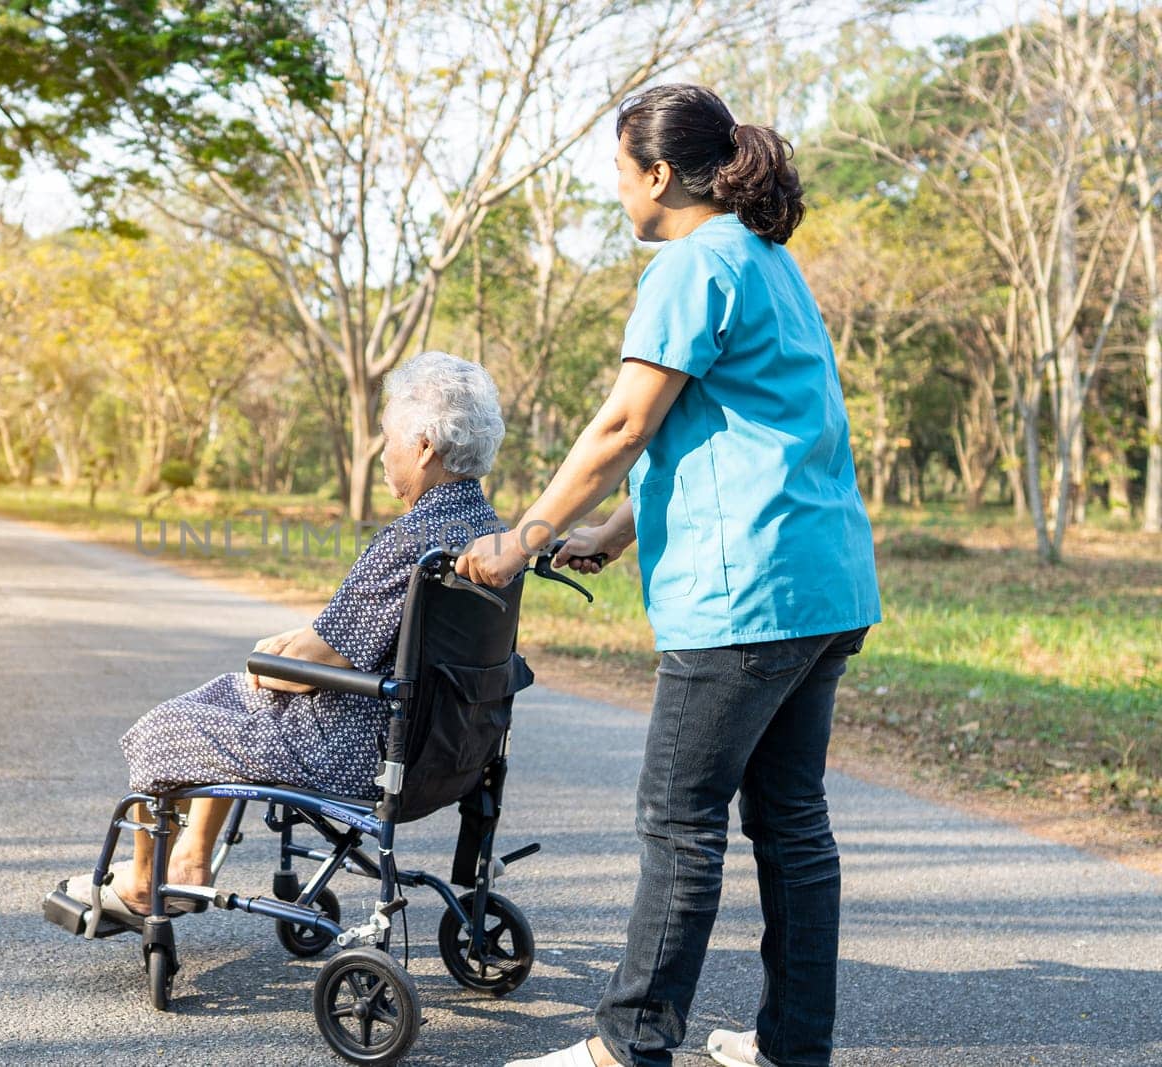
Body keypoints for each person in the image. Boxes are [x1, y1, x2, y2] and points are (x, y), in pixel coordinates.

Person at [455, 84, 881, 1067]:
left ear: (655, 174)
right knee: (790, 821)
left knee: (680, 819)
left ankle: (626, 1046)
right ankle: (791, 1045)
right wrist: (609, 532)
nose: (616, 193)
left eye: (617, 174)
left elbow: (625, 423)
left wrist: (523, 535)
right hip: (821, 584)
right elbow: (732, 435)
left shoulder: (691, 265)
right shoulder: (769, 261)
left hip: (744, 600)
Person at [65, 351, 508, 927]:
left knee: (174, 723)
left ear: (424, 447)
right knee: (229, 703)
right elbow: (376, 631)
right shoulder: (490, 536)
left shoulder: (410, 542)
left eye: (389, 438)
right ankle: (193, 862)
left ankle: (147, 879)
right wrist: (298, 642)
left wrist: (268, 662)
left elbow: (309, 666)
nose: (383, 453)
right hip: (454, 751)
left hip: (362, 750)